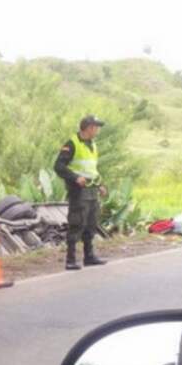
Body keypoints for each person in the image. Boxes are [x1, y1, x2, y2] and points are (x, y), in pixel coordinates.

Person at [54, 115, 109, 270]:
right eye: (96, 127)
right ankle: (70, 260)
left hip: (92, 191)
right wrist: (75, 177)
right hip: (78, 191)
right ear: (89, 127)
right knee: (77, 224)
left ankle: (89, 256)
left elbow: (92, 170)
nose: (97, 130)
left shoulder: (93, 145)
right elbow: (58, 166)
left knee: (91, 224)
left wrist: (100, 185)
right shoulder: (72, 143)